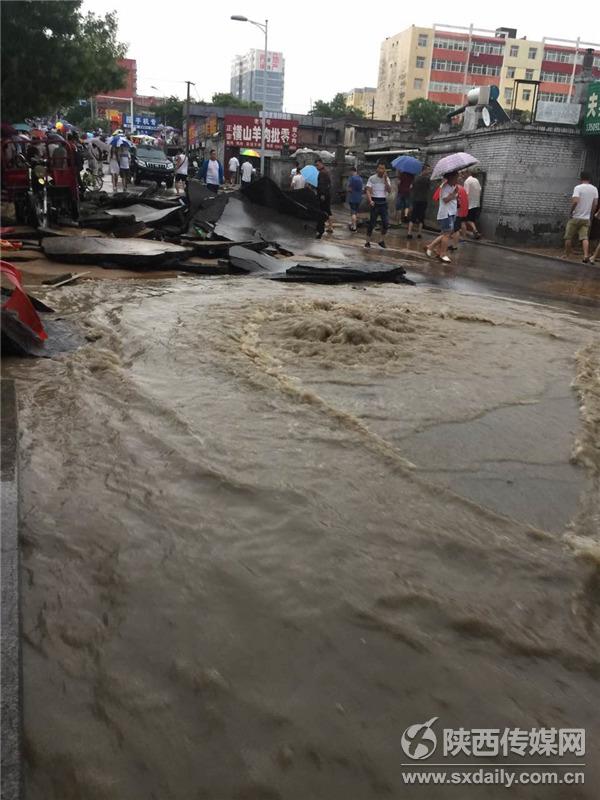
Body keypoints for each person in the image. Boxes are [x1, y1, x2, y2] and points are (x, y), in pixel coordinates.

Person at [564, 171, 598, 263]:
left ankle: (567, 256)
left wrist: (571, 212)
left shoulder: (578, 188)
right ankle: (586, 255)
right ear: (590, 179)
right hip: (586, 218)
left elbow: (575, 201)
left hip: (575, 217)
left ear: (581, 178)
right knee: (584, 237)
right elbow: (595, 204)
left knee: (568, 237)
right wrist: (591, 214)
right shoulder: (594, 189)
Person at [426, 171, 459, 263]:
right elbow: (445, 200)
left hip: (451, 213)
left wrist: (455, 193)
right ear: (451, 177)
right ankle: (442, 254)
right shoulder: (445, 187)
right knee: (446, 234)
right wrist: (454, 194)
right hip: (446, 213)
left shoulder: (453, 187)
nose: (458, 178)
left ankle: (432, 247)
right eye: (456, 177)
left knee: (446, 234)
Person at [364, 161, 392, 249]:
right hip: (375, 202)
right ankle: (367, 241)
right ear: (377, 169)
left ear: (385, 170)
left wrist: (386, 180)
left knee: (386, 223)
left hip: (383, 202)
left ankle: (381, 240)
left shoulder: (386, 179)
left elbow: (389, 190)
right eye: (379, 168)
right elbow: (368, 190)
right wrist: (370, 200)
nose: (381, 170)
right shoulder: (372, 178)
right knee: (372, 223)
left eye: (383, 168)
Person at [407, 165, 431, 239]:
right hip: (423, 200)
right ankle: (419, 233)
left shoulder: (416, 178)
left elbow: (411, 187)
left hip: (416, 200)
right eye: (428, 170)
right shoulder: (427, 180)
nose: (429, 172)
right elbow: (429, 188)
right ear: (424, 170)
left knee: (413, 217)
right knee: (421, 217)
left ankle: (409, 233)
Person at [449, 175, 469, 250]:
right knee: (455, 229)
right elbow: (465, 202)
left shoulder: (456, 189)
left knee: (455, 230)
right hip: (460, 212)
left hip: (455, 212)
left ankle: (454, 246)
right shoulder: (463, 190)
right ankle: (454, 245)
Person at [315, 158, 333, 239]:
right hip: (326, 195)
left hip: (323, 196)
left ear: (321, 164)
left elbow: (322, 185)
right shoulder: (326, 172)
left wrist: (322, 194)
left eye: (317, 165)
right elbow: (328, 184)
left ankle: (320, 230)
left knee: (321, 212)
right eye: (316, 165)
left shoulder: (322, 173)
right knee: (327, 211)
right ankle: (330, 226)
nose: (317, 167)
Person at [464, 168, 482, 238]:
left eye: (464, 173)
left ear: (468, 173)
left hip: (469, 204)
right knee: (471, 219)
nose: (463, 175)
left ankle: (469, 233)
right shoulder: (476, 180)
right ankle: (474, 232)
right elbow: (480, 190)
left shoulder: (467, 181)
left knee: (465, 220)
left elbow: (466, 193)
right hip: (476, 203)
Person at [346, 166, 364, 232]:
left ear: (352, 171)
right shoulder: (360, 178)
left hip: (352, 197)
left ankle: (354, 226)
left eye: (350, 172)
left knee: (353, 212)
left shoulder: (352, 178)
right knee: (355, 211)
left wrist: (348, 190)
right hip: (359, 198)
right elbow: (362, 189)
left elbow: (349, 188)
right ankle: (353, 223)